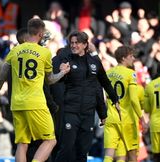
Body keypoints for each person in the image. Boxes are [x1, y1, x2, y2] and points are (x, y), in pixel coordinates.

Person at [0, 18, 70, 162]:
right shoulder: (44, 53)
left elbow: (1, 77)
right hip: (35, 103)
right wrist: (63, 72)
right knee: (51, 141)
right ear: (40, 33)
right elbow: (50, 80)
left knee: (22, 143)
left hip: (17, 104)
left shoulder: (14, 51)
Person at [54, 31, 119, 162]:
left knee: (83, 150)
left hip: (88, 113)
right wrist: (60, 71)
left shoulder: (94, 61)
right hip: (71, 111)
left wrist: (114, 99)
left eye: (76, 43)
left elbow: (104, 82)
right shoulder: (66, 59)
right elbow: (55, 68)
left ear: (85, 45)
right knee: (67, 148)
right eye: (71, 43)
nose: (73, 46)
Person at [104, 46, 147, 162]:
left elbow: (103, 96)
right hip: (126, 119)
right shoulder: (130, 74)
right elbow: (133, 99)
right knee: (132, 155)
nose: (133, 58)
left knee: (110, 154)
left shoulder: (108, 73)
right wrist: (142, 119)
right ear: (123, 58)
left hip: (110, 118)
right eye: (131, 56)